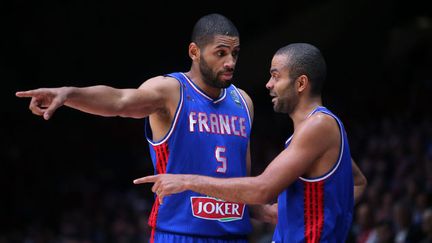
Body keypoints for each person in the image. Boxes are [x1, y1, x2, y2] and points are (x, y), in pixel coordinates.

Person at [16, 13, 260, 243]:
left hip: (234, 233)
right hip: (180, 233)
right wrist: (70, 94)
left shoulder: (243, 102)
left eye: (235, 53)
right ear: (194, 52)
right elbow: (119, 101)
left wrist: (266, 211)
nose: (230, 62)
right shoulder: (172, 90)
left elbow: (243, 181)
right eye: (221, 53)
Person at [133, 43, 368, 242]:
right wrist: (296, 213)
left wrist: (186, 180)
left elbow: (263, 189)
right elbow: (357, 182)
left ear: (300, 83)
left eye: (276, 76)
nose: (268, 84)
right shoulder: (320, 128)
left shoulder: (318, 126)